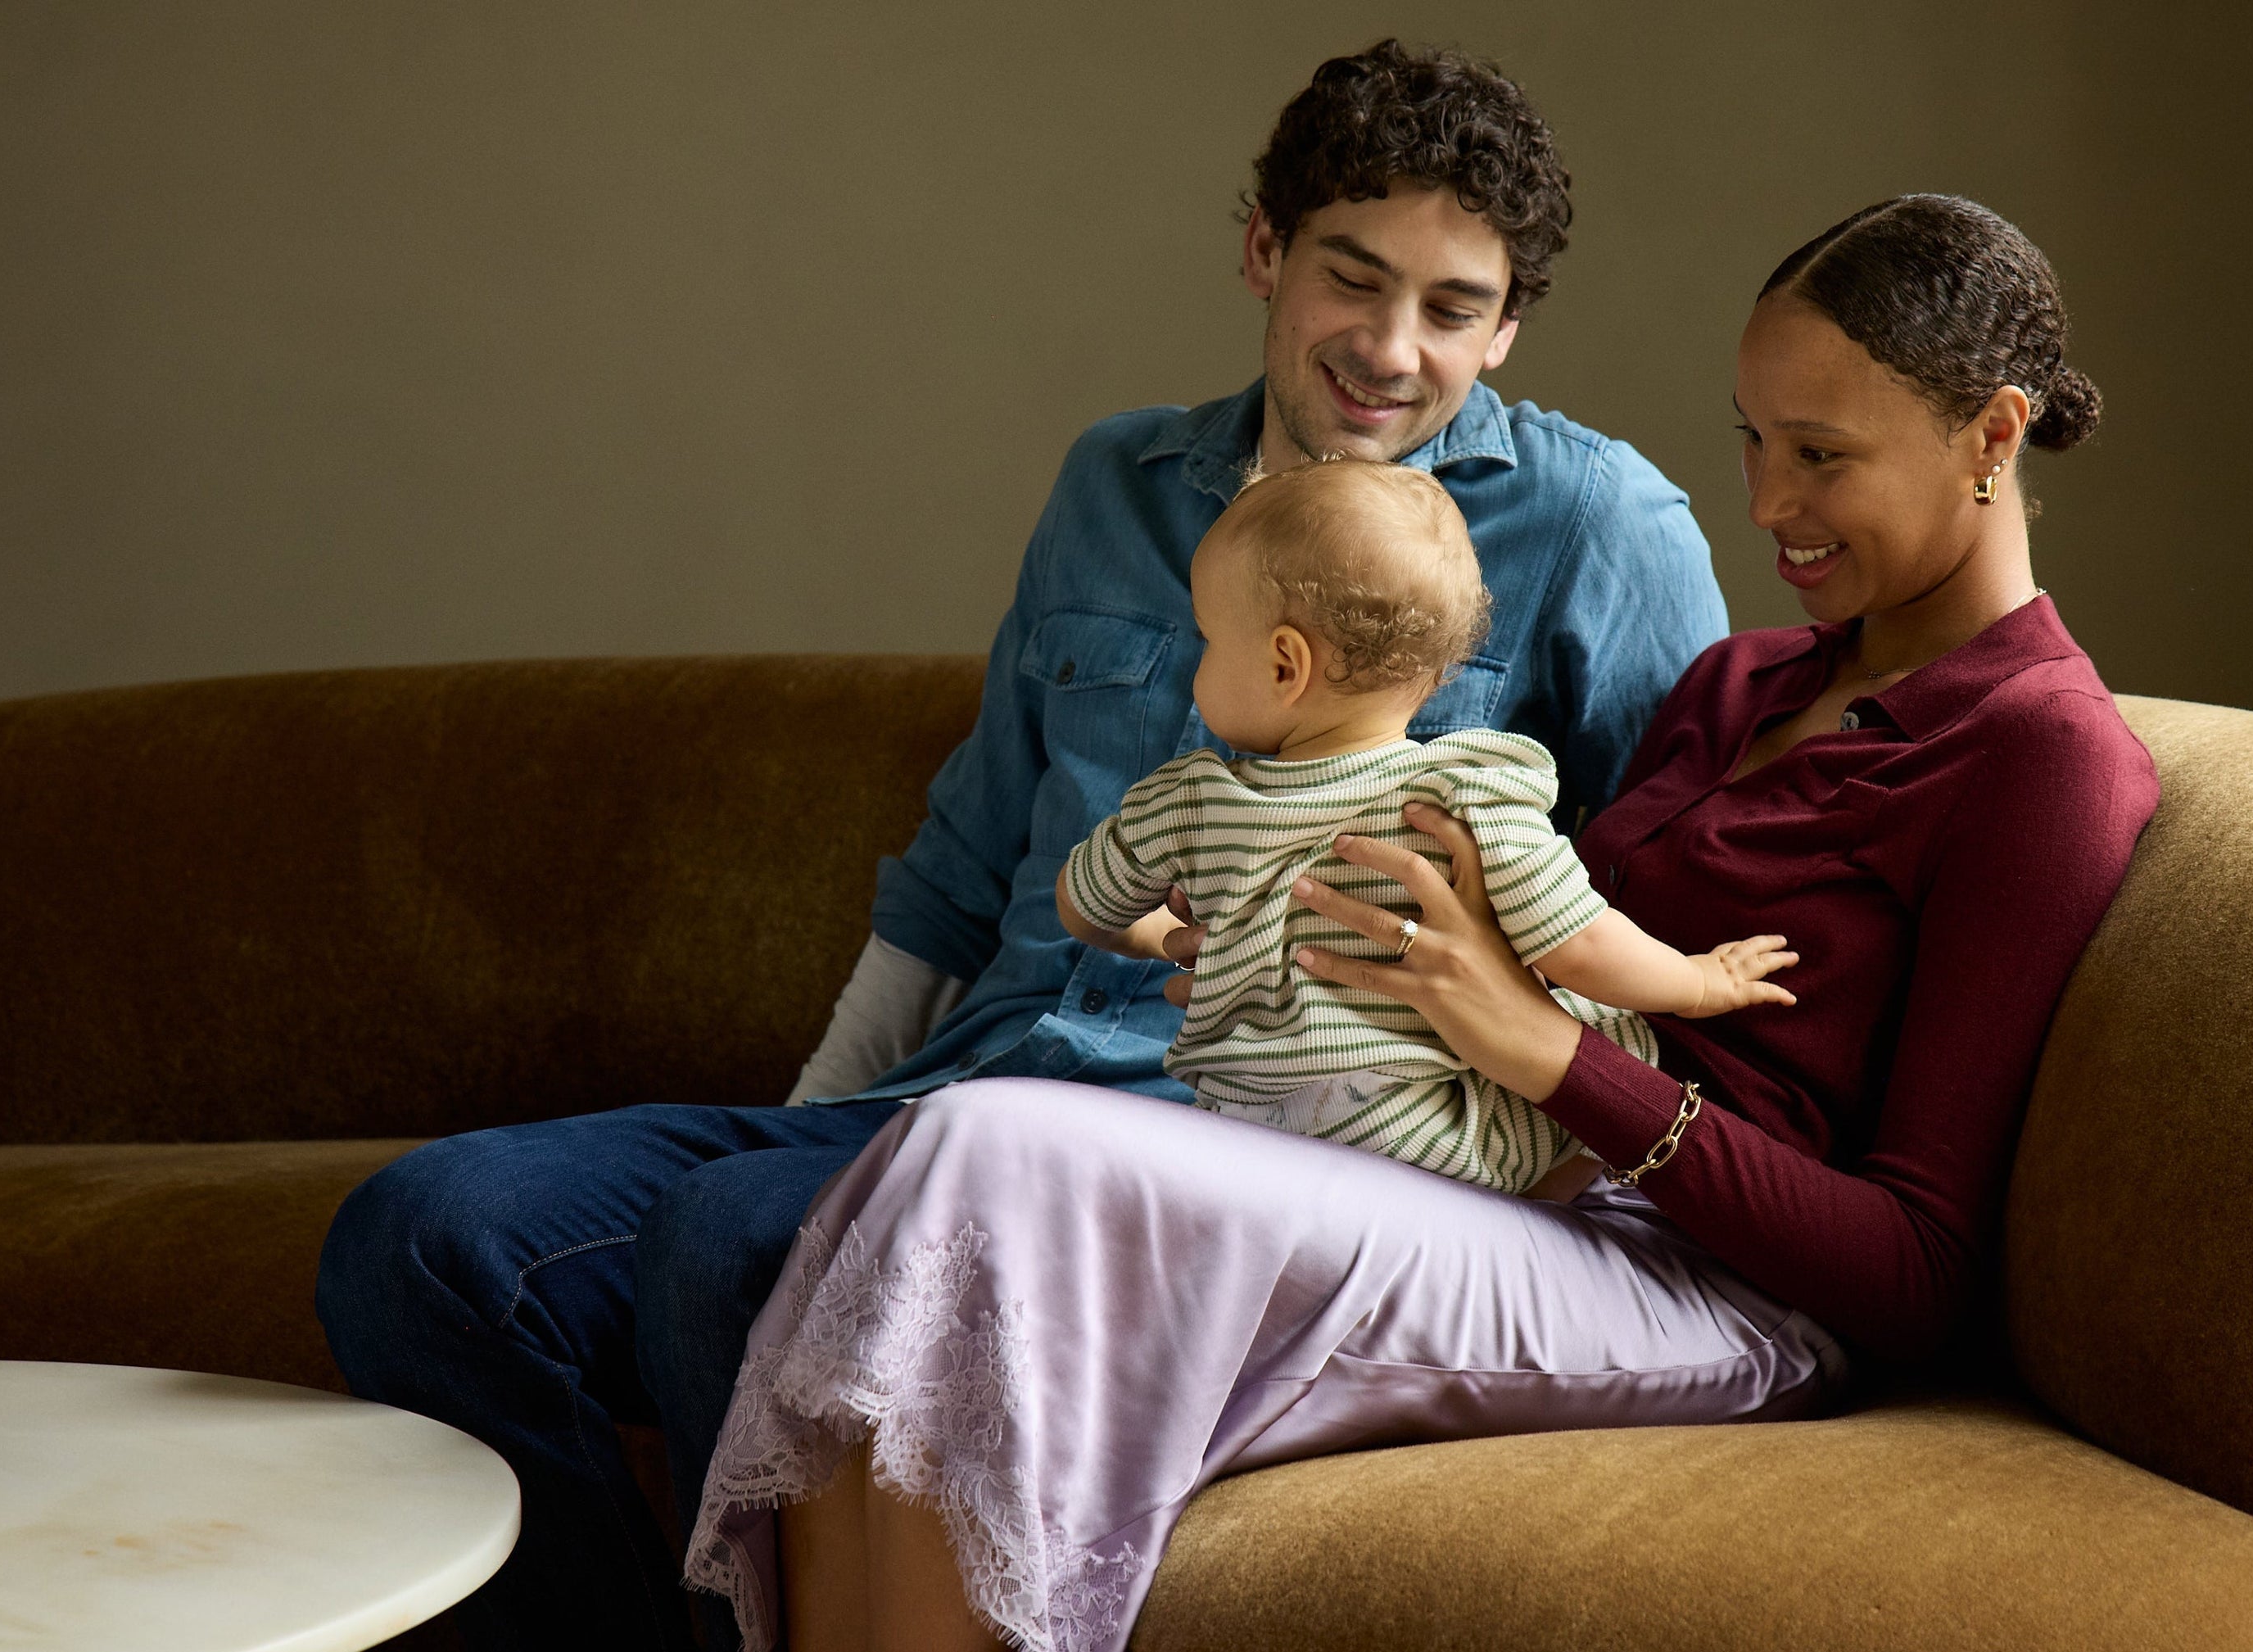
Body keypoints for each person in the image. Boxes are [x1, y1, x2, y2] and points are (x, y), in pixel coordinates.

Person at [313, 39, 1726, 1652]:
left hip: (1227, 1149)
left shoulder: (1598, 528)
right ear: (1263, 249)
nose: (1392, 350)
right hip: (951, 1096)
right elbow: (968, 854)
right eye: (1352, 277)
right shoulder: (1115, 485)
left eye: (1453, 307)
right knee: (422, 1243)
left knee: (739, 1242)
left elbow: (1674, 905)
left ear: (1507, 324)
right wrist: (820, 1129)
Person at [682, 192, 2160, 1652]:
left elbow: (1914, 1272)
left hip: (1716, 1288)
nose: (1767, 505)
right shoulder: (1740, 687)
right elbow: (1544, 923)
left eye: (1819, 455)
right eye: (1753, 441)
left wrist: (1544, 1053)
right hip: (1519, 1185)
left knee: (1002, 1161)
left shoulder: (2041, 754)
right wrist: (1313, 939)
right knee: (947, 1150)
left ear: (1992, 435)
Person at [1056, 457, 1795, 1194]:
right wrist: (1697, 981)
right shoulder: (1464, 795)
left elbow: (1083, 907)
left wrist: (1187, 938)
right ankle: (1542, 1204)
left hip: (1238, 1124)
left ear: (1285, 665)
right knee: (1620, 1033)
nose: (1200, 662)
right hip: (1412, 1145)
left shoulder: (1189, 800)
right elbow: (1581, 943)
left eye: (1208, 638)